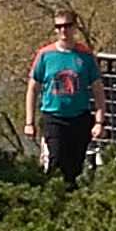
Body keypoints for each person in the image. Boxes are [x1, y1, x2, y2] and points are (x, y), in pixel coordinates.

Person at [29, 13, 102, 191]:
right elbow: (33, 88)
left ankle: (72, 199)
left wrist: (99, 121)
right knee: (56, 159)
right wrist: (29, 122)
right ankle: (53, 196)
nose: (63, 30)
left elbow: (98, 89)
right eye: (58, 26)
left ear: (74, 27)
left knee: (75, 165)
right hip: (54, 116)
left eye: (67, 26)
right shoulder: (45, 55)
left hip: (80, 117)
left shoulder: (85, 55)